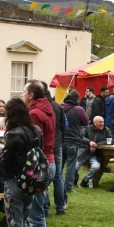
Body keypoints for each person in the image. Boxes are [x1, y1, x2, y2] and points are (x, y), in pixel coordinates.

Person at [0, 96, 42, 227]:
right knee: (23, 222)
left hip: (14, 181)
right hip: (30, 182)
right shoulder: (34, 131)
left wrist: (2, 151)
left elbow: (6, 162)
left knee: (15, 225)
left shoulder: (13, 134)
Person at [23, 80, 55, 227]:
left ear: (31, 95)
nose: (21, 95)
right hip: (49, 161)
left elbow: (34, 144)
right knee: (37, 210)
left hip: (39, 164)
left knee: (35, 213)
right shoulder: (48, 109)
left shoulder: (35, 113)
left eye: (23, 92)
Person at [42, 82, 67, 216]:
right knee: (57, 176)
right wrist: (61, 141)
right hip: (57, 143)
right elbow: (64, 126)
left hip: (47, 144)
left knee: (44, 175)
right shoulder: (57, 106)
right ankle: (60, 207)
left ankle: (45, 208)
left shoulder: (41, 108)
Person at [61, 89, 89, 194]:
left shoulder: (60, 107)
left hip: (61, 139)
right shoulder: (79, 109)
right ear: (77, 99)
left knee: (60, 165)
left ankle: (58, 185)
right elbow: (86, 122)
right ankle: (68, 187)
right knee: (71, 165)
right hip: (73, 139)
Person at [76, 115, 111, 188]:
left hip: (95, 154)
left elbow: (110, 140)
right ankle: (75, 179)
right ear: (94, 123)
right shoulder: (87, 128)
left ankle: (85, 181)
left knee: (96, 167)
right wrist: (90, 142)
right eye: (100, 122)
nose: (102, 124)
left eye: (103, 122)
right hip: (84, 152)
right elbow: (80, 137)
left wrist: (96, 145)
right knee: (75, 167)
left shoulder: (106, 129)